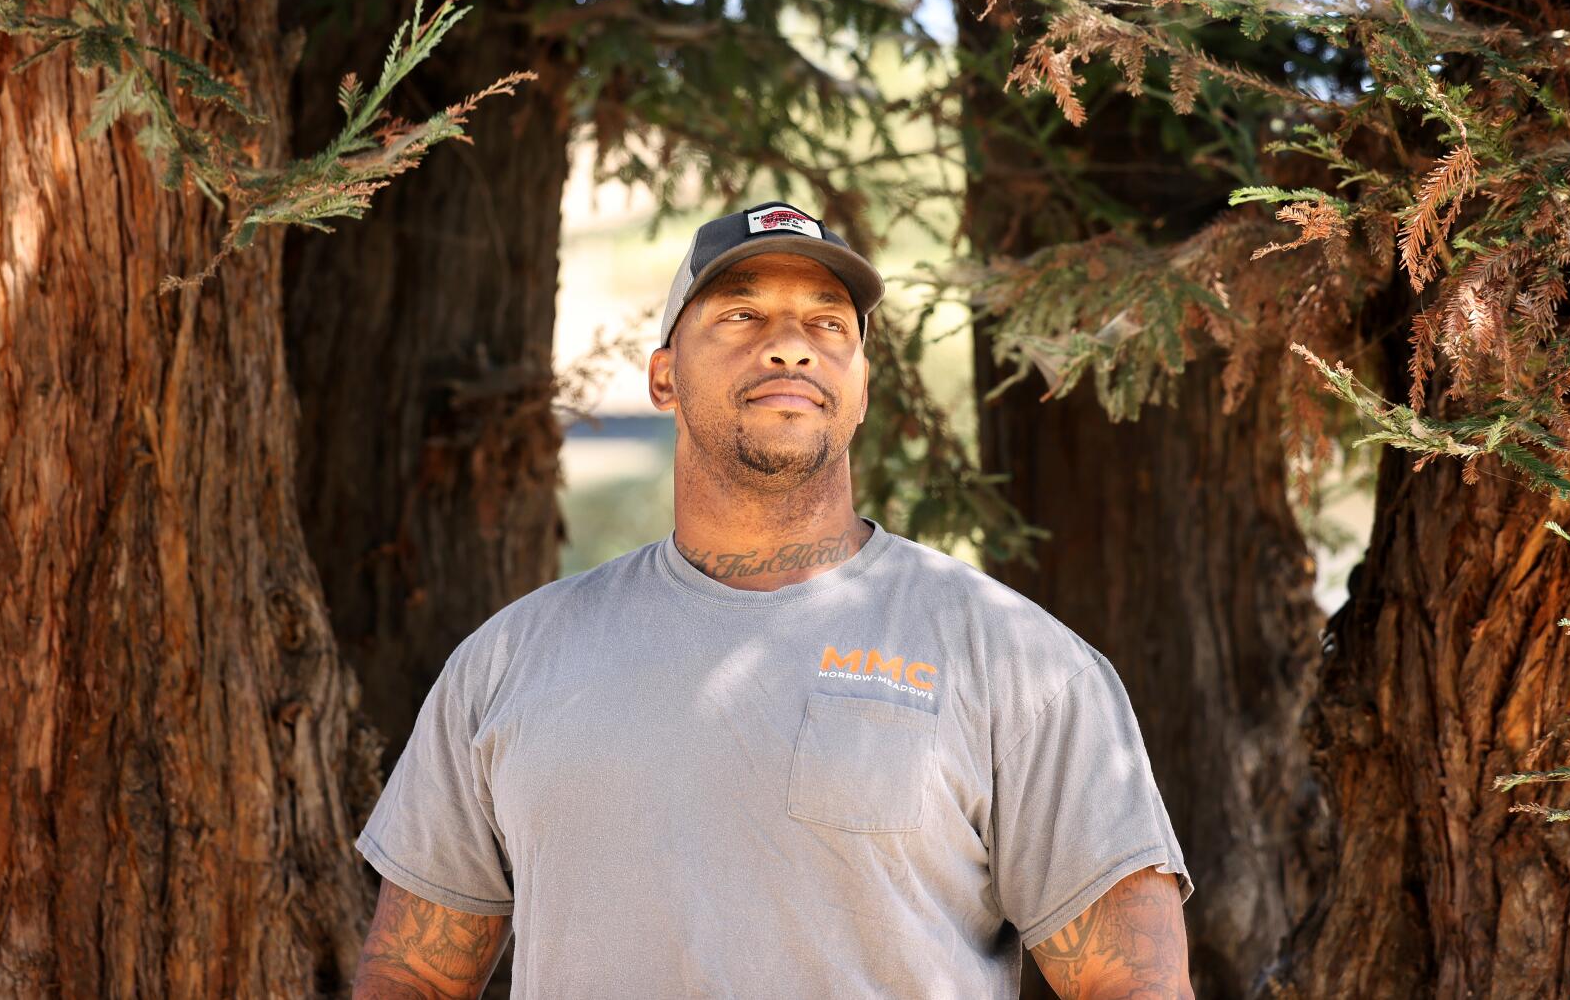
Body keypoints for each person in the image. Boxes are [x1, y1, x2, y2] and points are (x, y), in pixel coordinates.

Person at [349, 200, 1195, 999]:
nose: (791, 347)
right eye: (740, 316)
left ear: (861, 388)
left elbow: (1132, 986)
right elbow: (412, 980)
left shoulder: (1021, 662)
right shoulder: (510, 660)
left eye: (828, 323)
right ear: (663, 377)